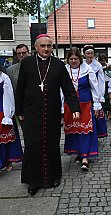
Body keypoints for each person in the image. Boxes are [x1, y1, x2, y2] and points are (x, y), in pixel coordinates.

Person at [15, 34, 80, 196]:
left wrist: (75, 108)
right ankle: (33, 181)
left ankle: (53, 176)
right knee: (32, 145)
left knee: (51, 144)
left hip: (51, 112)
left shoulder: (58, 64)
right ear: (36, 47)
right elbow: (20, 88)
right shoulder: (27, 63)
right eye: (43, 46)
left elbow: (68, 88)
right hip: (31, 113)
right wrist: (19, 111)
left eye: (49, 46)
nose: (46, 49)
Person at [64, 47, 102, 170]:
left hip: (85, 104)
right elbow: (60, 90)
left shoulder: (87, 69)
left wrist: (97, 104)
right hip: (70, 105)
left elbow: (94, 87)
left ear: (80, 59)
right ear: (68, 60)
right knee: (74, 130)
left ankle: (85, 157)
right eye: (71, 59)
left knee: (86, 130)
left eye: (76, 59)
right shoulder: (64, 70)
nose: (73, 61)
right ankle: (79, 153)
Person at [0, 68, 23, 171]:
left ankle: (7, 161)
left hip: (3, 110)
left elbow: (8, 96)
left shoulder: (4, 78)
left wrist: (8, 116)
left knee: (5, 139)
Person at [83, 45, 108, 138]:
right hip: (85, 91)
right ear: (84, 54)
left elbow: (101, 81)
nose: (90, 55)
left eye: (91, 53)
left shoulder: (97, 65)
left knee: (95, 114)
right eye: (88, 53)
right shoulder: (82, 65)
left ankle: (96, 134)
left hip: (95, 91)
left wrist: (100, 95)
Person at [6, 44, 30, 131]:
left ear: (28, 53)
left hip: (36, 105)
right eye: (19, 53)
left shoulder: (37, 66)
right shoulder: (10, 70)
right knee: (25, 131)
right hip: (20, 106)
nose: (21, 55)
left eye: (24, 52)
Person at [98, 54, 111, 120]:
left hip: (108, 83)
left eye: (103, 60)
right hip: (101, 84)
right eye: (101, 61)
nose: (102, 62)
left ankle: (109, 112)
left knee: (108, 99)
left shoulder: (109, 66)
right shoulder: (98, 67)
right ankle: (103, 112)